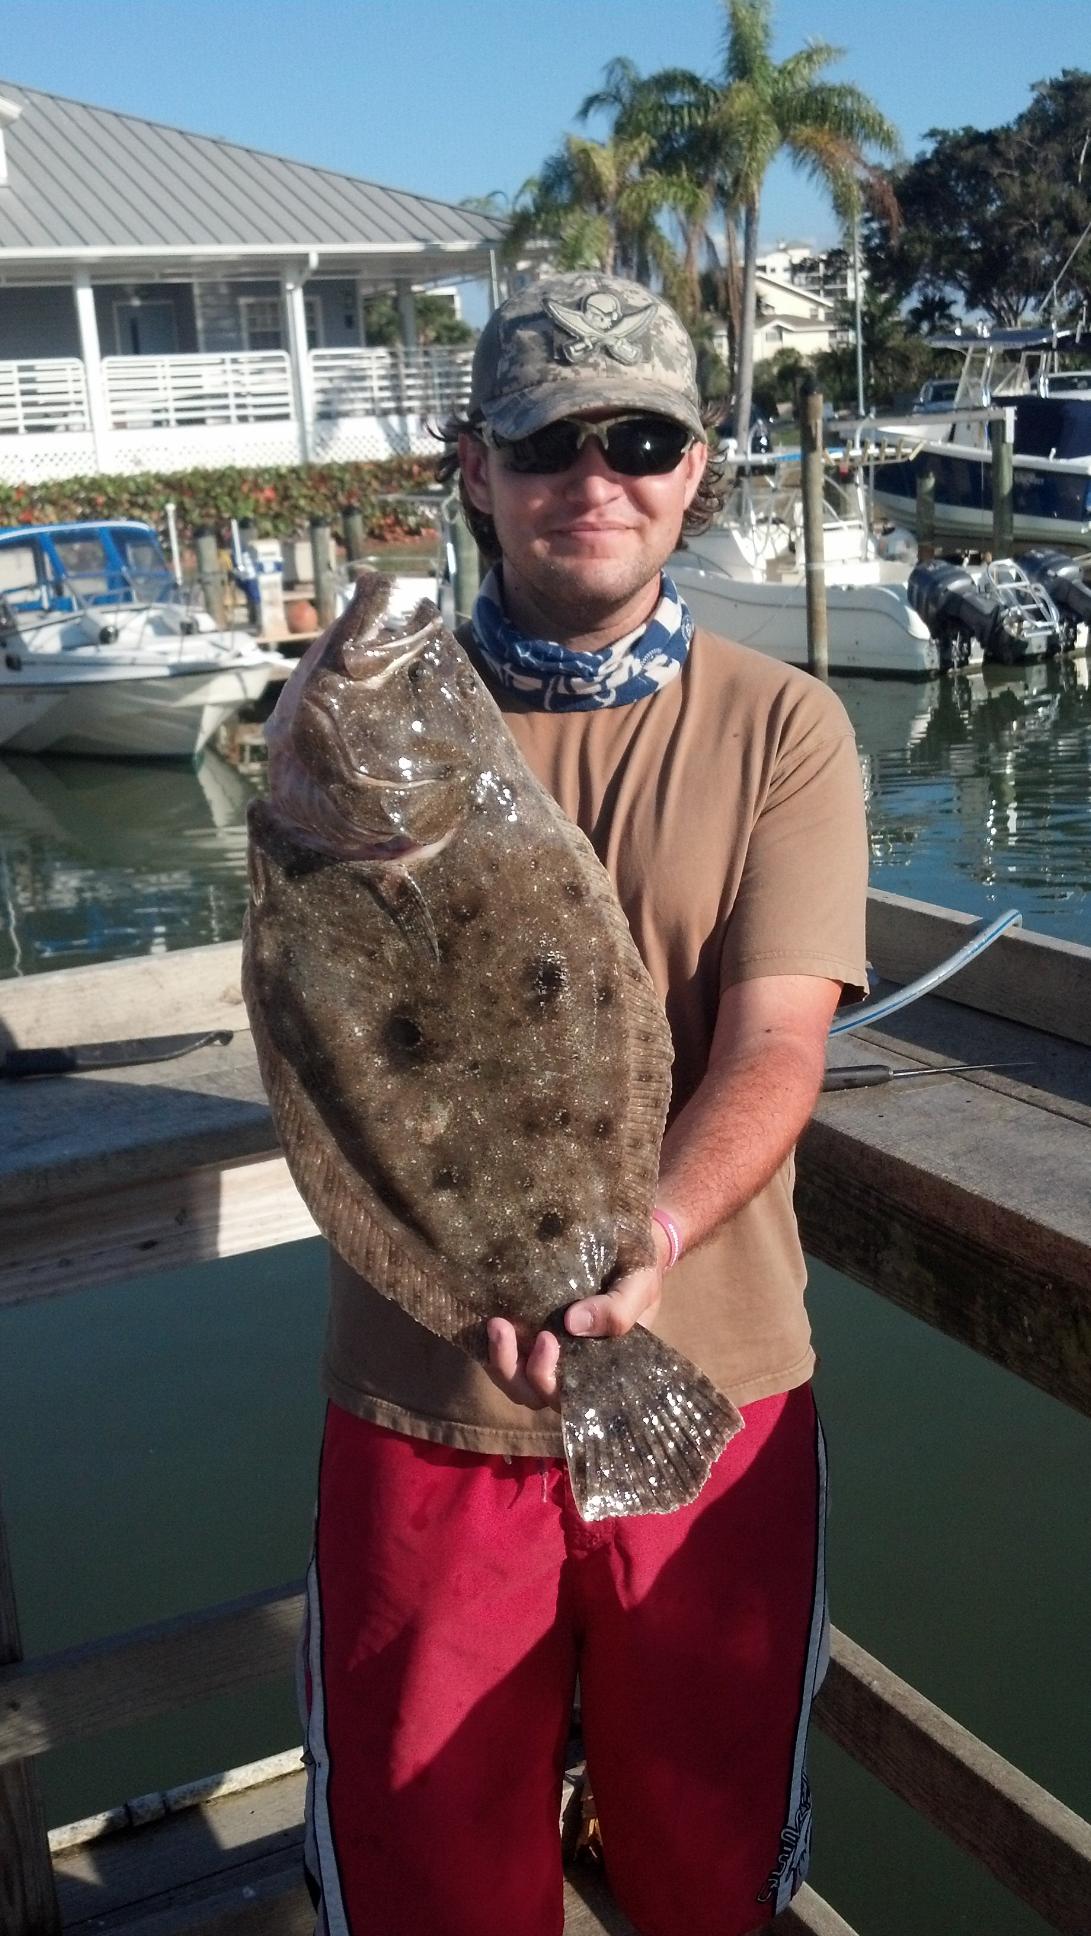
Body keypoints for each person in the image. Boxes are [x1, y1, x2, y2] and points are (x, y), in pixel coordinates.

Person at [300, 272, 869, 1936]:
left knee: (705, 1865)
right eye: (549, 440)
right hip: (427, 1396)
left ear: (697, 468)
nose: (595, 475)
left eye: (641, 437)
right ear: (475, 466)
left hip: (712, 1388)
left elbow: (778, 1045)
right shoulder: (361, 730)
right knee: (429, 1882)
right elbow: (319, 1032)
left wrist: (649, 1232)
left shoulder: (785, 728)